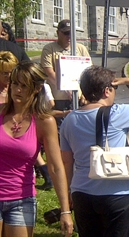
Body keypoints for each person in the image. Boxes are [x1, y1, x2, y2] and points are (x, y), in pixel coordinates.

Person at [60, 65, 129, 235]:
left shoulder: (70, 119)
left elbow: (67, 162)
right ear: (107, 91)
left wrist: (70, 191)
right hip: (117, 192)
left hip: (82, 192)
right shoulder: (117, 113)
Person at [0, 62, 73, 236]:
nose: (18, 89)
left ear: (37, 88)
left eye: (24, 85)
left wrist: (65, 210)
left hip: (21, 199)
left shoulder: (43, 121)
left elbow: (55, 167)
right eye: (15, 83)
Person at [40, 19, 90, 125]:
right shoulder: (49, 49)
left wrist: (86, 93)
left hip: (79, 98)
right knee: (60, 129)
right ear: (58, 33)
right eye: (66, 33)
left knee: (79, 128)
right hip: (58, 99)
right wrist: (66, 89)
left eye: (72, 33)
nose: (69, 36)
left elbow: (89, 72)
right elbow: (49, 73)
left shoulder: (81, 49)